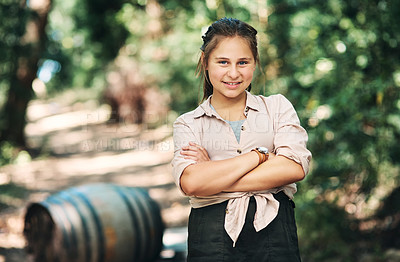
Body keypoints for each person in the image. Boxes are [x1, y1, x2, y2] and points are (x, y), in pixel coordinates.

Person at [171, 17, 312, 262]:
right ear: (205, 62)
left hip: (275, 234)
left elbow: (295, 166)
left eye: (243, 62)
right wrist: (259, 157)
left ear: (254, 63)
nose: (233, 73)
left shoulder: (277, 108)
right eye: (223, 62)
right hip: (210, 239)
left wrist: (212, 175)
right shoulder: (188, 123)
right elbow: (192, 183)